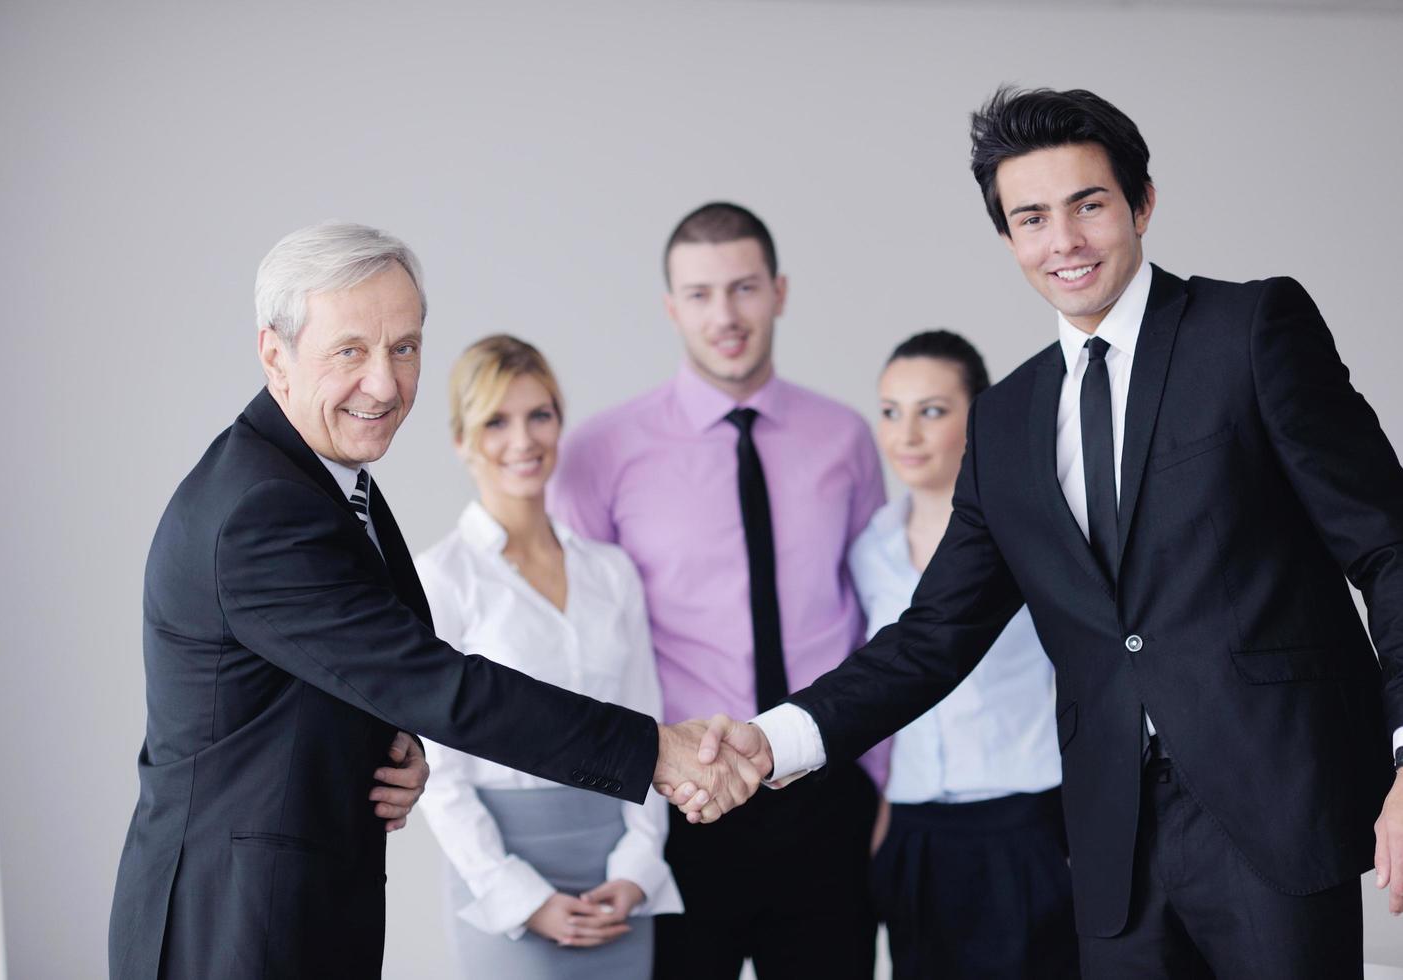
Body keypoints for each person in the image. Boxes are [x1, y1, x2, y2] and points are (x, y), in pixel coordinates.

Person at [683, 88, 1403, 978]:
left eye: (1088, 205)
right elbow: (932, 635)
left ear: (1141, 203)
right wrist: (779, 737)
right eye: (1031, 217)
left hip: (1276, 814)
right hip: (1111, 848)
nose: (1063, 241)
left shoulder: (1250, 331)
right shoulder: (1006, 421)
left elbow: (1387, 545)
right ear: (1008, 239)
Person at [108, 221, 760, 980]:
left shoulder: (322, 479)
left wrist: (391, 747)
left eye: (405, 347)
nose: (384, 384)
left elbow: (345, 667)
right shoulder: (263, 508)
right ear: (274, 354)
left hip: (288, 905)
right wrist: (655, 749)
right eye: (350, 350)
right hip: (233, 926)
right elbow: (437, 682)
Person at [549, 202, 888, 980]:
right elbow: (583, 641)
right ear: (671, 307)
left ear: (779, 291)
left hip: (826, 792)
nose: (725, 315)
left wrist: (882, 783)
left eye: (743, 288)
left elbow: (883, 615)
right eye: (700, 295)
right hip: (681, 803)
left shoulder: (844, 439)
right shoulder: (601, 453)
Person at [415, 335, 682, 978]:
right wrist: (521, 897)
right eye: (496, 421)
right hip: (502, 875)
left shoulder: (611, 573)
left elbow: (648, 730)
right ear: (461, 440)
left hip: (615, 871)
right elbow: (440, 771)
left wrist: (637, 869)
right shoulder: (441, 578)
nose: (523, 440)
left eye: (540, 415)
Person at [853, 330, 1075, 978]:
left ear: (978, 417)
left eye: (933, 410)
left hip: (1027, 821)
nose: (907, 435)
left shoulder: (1031, 532)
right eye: (891, 411)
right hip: (917, 830)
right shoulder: (870, 548)